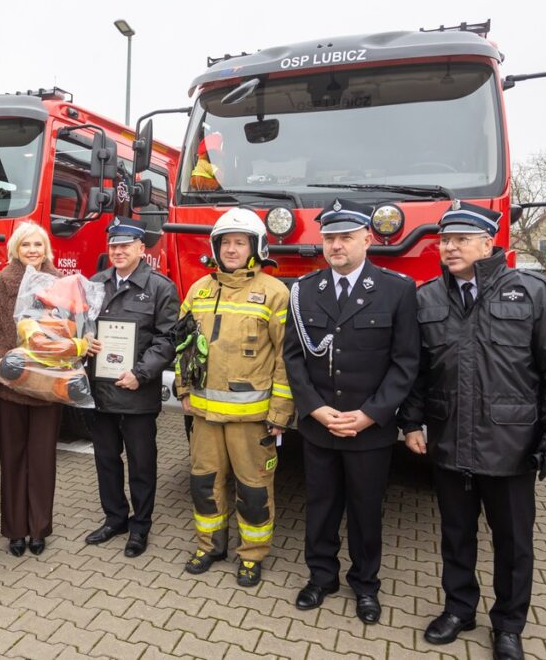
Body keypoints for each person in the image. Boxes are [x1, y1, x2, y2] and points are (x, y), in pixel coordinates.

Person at [397, 202, 546, 660]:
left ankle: (508, 624)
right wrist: (410, 422)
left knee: (513, 543)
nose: (450, 247)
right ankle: (459, 609)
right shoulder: (427, 299)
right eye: (445, 240)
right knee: (456, 535)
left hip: (511, 446)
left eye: (462, 239)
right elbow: (414, 372)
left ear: (489, 243)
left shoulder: (533, 293)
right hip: (447, 441)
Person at [282, 200, 419, 623]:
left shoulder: (398, 289)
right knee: (321, 506)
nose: (336, 245)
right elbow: (293, 358)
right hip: (321, 426)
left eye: (345, 237)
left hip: (369, 429)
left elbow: (407, 362)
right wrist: (316, 410)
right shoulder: (304, 290)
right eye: (329, 238)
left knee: (365, 510)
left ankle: (366, 585)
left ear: (367, 238)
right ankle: (321, 577)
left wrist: (371, 414)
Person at [175, 208, 293, 587]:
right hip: (205, 416)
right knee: (204, 484)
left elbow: (285, 359)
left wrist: (280, 412)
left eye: (240, 242)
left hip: (252, 420)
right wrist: (182, 390)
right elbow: (183, 345)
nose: (231, 249)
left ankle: (252, 555)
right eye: (225, 242)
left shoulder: (275, 293)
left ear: (255, 248)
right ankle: (210, 546)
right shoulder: (199, 289)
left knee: (254, 491)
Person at [83, 219, 179, 557]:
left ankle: (140, 526)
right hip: (100, 391)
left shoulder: (160, 287)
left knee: (141, 463)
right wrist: (85, 340)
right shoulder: (95, 283)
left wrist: (141, 373)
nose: (118, 251)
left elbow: (168, 339)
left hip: (137, 392)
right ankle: (114, 518)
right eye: (113, 246)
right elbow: (81, 326)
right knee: (106, 460)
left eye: (125, 246)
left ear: (141, 249)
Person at [0, 222, 62, 557]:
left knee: (43, 460)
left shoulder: (60, 283)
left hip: (47, 385)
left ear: (47, 250)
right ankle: (15, 530)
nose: (33, 250)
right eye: (26, 245)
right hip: (10, 384)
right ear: (15, 249)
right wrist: (3, 360)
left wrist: (72, 349)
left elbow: (71, 327)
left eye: (38, 245)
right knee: (13, 459)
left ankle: (39, 528)